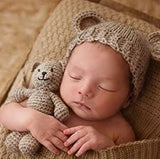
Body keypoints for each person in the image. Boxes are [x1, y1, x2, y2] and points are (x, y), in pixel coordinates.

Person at [0, 10, 155, 157]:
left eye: (104, 86)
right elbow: (6, 112)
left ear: (128, 98)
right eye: (75, 76)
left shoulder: (119, 131)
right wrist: (30, 119)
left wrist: (106, 146)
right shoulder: (49, 100)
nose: (84, 90)